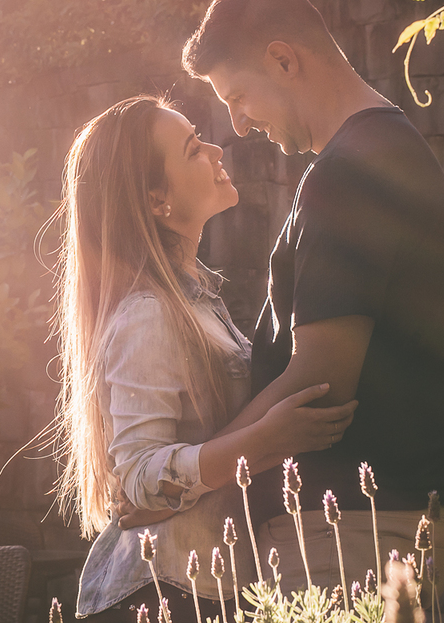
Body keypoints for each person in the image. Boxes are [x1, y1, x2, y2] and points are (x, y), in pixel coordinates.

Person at [179, 0, 444, 593]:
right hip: (369, 527)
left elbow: (320, 381)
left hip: (358, 536)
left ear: (283, 60)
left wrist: (190, 478)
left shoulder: (352, 170)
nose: (238, 124)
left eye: (237, 96)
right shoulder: (374, 152)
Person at [54, 95, 359, 621]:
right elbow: (138, 479)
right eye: (194, 149)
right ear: (155, 201)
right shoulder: (148, 313)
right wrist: (265, 440)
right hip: (158, 590)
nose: (217, 148)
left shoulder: (195, 301)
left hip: (206, 585)